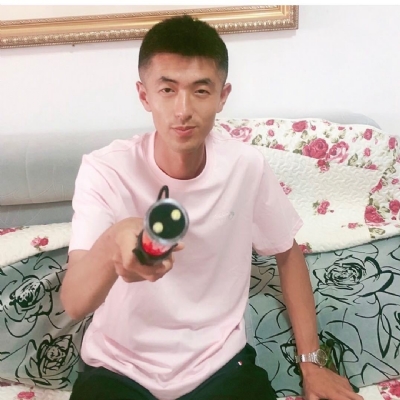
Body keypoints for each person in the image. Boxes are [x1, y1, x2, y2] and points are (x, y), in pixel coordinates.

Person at [61, 15, 363, 400]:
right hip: (117, 367)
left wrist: (311, 364)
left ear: (223, 96)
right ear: (144, 95)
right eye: (167, 89)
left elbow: (288, 254)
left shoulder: (245, 166)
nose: (183, 109)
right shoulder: (106, 169)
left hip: (218, 367)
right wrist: (112, 244)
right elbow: (74, 302)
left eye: (201, 90)